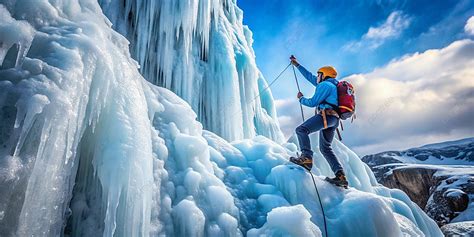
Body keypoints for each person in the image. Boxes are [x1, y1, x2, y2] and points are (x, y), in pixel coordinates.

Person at [289, 55, 348, 187]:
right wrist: (297, 65)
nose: (317, 76)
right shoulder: (333, 85)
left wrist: (301, 99)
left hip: (326, 116)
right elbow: (309, 77)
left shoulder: (325, 85)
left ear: (324, 75)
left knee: (301, 130)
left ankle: (306, 158)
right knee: (325, 148)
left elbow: (313, 102)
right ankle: (340, 175)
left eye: (319, 74)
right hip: (334, 119)